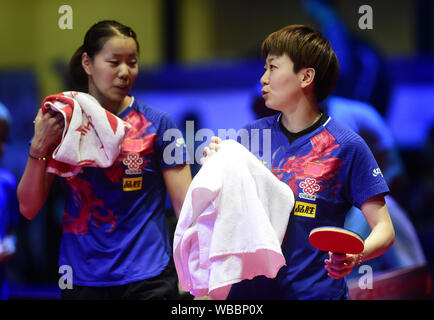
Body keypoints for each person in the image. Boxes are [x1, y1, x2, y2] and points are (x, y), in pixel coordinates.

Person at [202, 25, 395, 299]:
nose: (263, 79)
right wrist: (215, 169)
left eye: (272, 68)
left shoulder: (347, 145)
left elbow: (384, 228)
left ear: (305, 76)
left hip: (315, 294)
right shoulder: (249, 136)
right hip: (250, 296)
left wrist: (356, 254)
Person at [17, 20, 191, 300]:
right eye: (114, 62)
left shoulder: (159, 125)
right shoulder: (62, 123)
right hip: (81, 280)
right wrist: (39, 145)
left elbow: (187, 211)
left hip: (149, 279)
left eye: (132, 62)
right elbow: (27, 207)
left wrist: (197, 276)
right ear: (88, 63)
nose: (125, 72)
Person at [0, 102, 19, 300]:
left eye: (4, 139)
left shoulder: (7, 182)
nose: (1, 148)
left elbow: (12, 230)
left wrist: (10, 243)